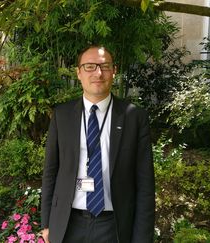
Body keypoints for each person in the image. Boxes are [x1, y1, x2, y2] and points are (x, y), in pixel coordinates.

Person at [41, 45, 155, 243]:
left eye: (105, 66)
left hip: (114, 226)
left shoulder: (134, 117)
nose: (98, 73)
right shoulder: (62, 115)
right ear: (78, 73)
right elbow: (51, 172)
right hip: (68, 223)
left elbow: (145, 183)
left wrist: (142, 237)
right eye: (89, 67)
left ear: (114, 71)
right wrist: (46, 224)